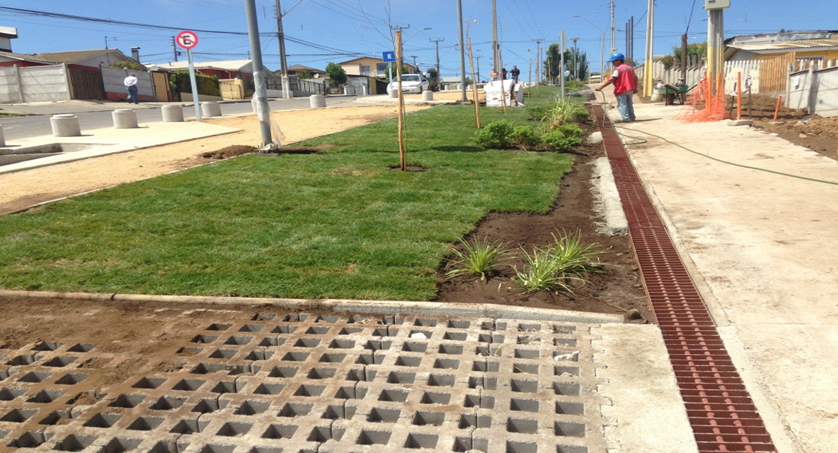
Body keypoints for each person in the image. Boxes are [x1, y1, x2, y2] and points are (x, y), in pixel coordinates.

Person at [596, 52, 637, 122]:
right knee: (629, 104)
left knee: (622, 105)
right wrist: (635, 87)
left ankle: (626, 119)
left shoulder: (618, 69)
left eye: (613, 61)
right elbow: (636, 78)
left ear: (619, 60)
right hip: (630, 89)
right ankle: (632, 117)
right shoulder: (630, 68)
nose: (612, 63)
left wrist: (601, 87)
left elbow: (612, 79)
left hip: (621, 89)